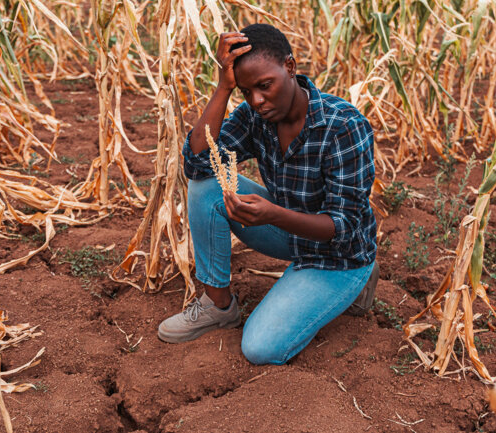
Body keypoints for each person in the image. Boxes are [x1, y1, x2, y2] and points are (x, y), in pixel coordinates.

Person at [157, 23, 379, 365]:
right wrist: (224, 87)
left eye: (265, 86)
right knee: (208, 184)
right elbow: (198, 162)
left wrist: (272, 214)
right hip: (290, 230)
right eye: (246, 91)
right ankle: (218, 306)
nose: (257, 101)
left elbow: (343, 227)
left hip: (338, 254)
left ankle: (356, 281)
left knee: (261, 348)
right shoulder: (255, 116)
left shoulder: (344, 126)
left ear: (289, 67)